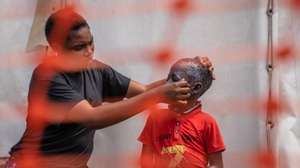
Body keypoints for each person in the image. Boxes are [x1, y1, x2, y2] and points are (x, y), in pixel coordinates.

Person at [5, 8, 213, 168]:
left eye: (91, 43)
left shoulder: (97, 70)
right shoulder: (48, 76)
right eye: (79, 47)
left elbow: (146, 90)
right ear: (57, 49)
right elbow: (94, 117)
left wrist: (192, 71)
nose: (89, 52)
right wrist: (157, 96)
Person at [138, 57, 225, 168]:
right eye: (167, 78)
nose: (166, 84)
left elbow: (216, 164)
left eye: (174, 79)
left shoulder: (207, 122)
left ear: (196, 88)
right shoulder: (156, 118)